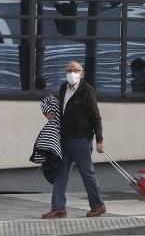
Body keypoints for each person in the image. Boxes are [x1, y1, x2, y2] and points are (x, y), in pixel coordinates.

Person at [42, 61, 107, 219]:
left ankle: (98, 205)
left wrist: (99, 140)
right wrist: (49, 113)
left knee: (87, 173)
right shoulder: (64, 88)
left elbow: (96, 117)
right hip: (64, 139)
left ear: (82, 73)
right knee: (60, 173)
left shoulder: (87, 91)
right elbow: (60, 108)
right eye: (69, 70)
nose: (72, 73)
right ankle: (58, 208)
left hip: (81, 140)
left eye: (75, 70)